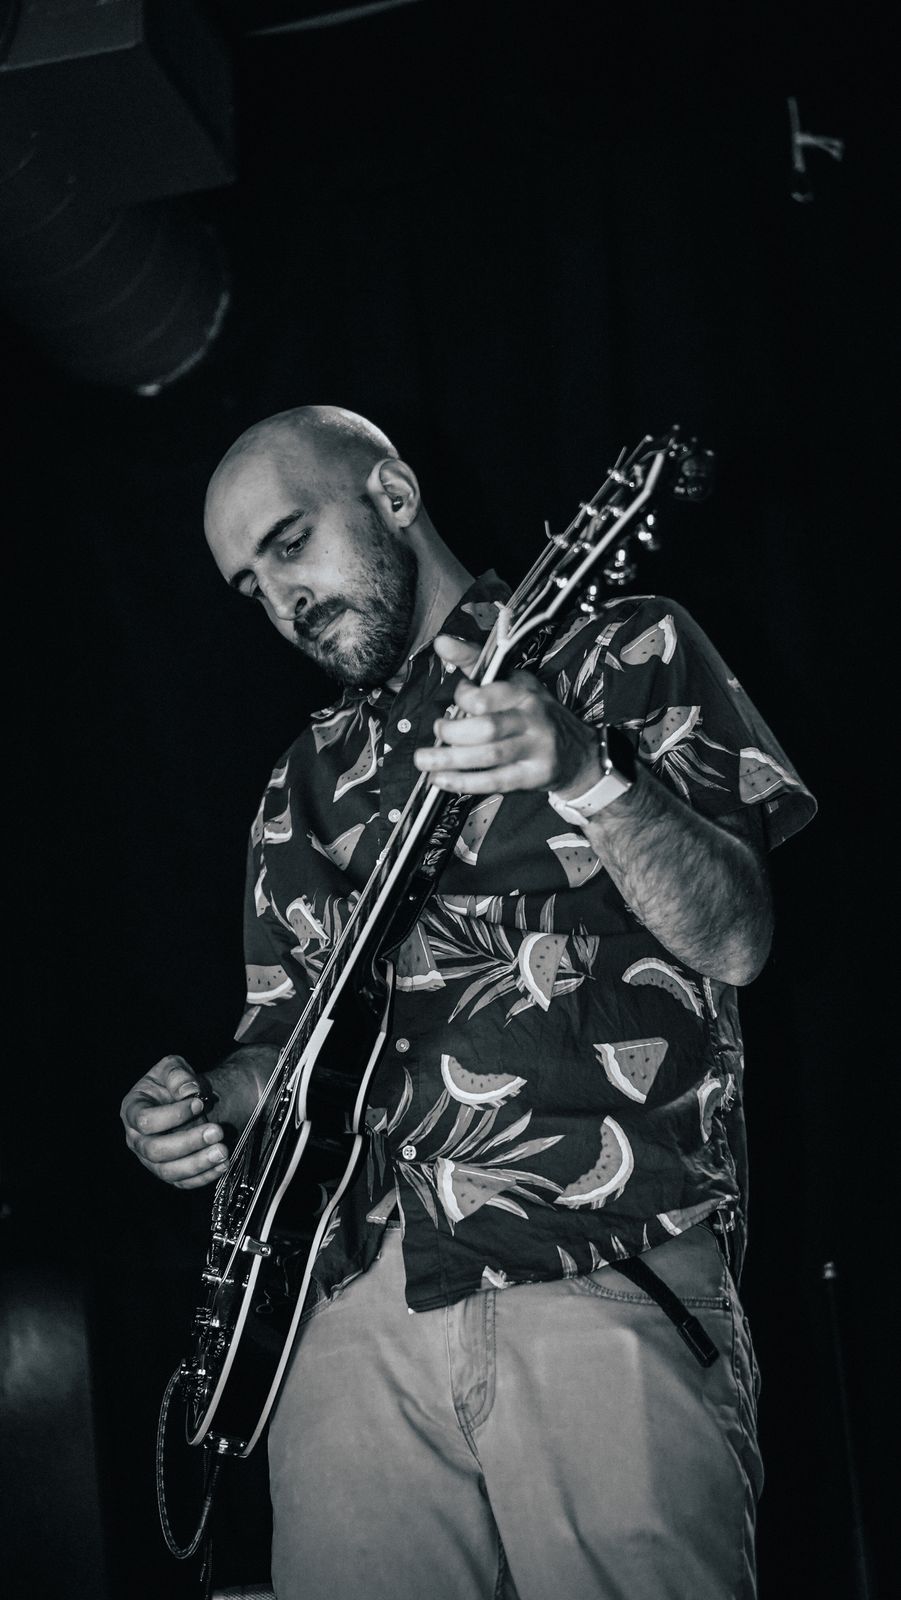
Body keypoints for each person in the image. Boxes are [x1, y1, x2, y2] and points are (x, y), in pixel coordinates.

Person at [121, 404, 816, 1600]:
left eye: (289, 543)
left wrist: (587, 774)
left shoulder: (625, 648)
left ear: (392, 496)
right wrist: (203, 1103)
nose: (282, 600)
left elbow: (738, 937)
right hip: (348, 1306)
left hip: (593, 1254)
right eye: (251, 586)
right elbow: (285, 1047)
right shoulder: (300, 782)